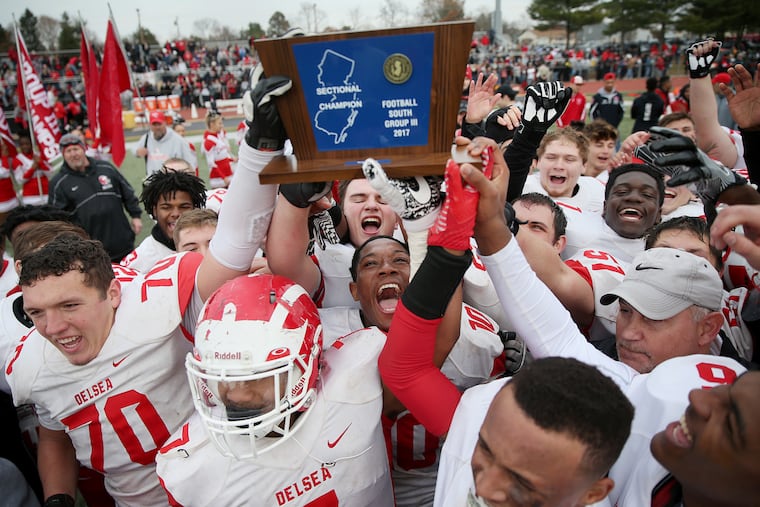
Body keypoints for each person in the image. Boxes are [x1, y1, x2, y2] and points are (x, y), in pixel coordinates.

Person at [4, 67, 288, 506]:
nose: (52, 327)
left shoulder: (155, 298)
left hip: (222, 486)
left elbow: (233, 246)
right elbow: (54, 431)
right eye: (37, 312)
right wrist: (57, 496)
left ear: (114, 293)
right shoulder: (31, 366)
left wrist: (259, 147)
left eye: (69, 305)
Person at [378, 151, 634, 506]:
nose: (487, 488)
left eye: (523, 481)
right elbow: (403, 368)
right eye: (484, 447)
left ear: (593, 494)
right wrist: (443, 236)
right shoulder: (481, 410)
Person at [156, 274, 395, 506]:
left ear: (308, 362)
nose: (237, 395)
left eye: (257, 378)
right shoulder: (190, 468)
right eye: (224, 378)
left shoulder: (360, 371)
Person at [48, 134, 143, 263]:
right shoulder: (58, 183)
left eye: (76, 149)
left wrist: (136, 216)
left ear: (84, 149)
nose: (73, 154)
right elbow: (57, 219)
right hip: (91, 251)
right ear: (63, 155)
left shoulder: (105, 168)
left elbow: (127, 192)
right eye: (68, 151)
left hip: (123, 241)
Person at [120, 169, 206, 272]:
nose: (176, 214)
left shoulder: (212, 245)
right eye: (166, 207)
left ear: (195, 208)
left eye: (184, 207)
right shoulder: (138, 263)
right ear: (154, 210)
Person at [134, 111, 196, 177]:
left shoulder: (178, 140)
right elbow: (135, 150)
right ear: (150, 125)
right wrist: (138, 152)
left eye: (159, 124)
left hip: (172, 181)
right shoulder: (146, 138)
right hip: (153, 181)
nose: (157, 127)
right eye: (154, 124)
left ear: (165, 123)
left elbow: (190, 163)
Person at [13, 134, 52, 207]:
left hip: (45, 193)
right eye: (22, 144)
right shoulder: (18, 159)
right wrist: (32, 168)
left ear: (32, 144)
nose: (25, 146)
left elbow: (50, 173)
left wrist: (40, 163)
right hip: (30, 197)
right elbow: (20, 180)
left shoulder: (40, 155)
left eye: (27, 144)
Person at [202, 110, 236, 188]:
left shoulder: (219, 137)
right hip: (219, 180)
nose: (222, 126)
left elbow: (222, 157)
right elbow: (211, 163)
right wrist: (223, 177)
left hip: (228, 175)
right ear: (212, 124)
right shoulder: (209, 141)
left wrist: (232, 160)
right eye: (220, 123)